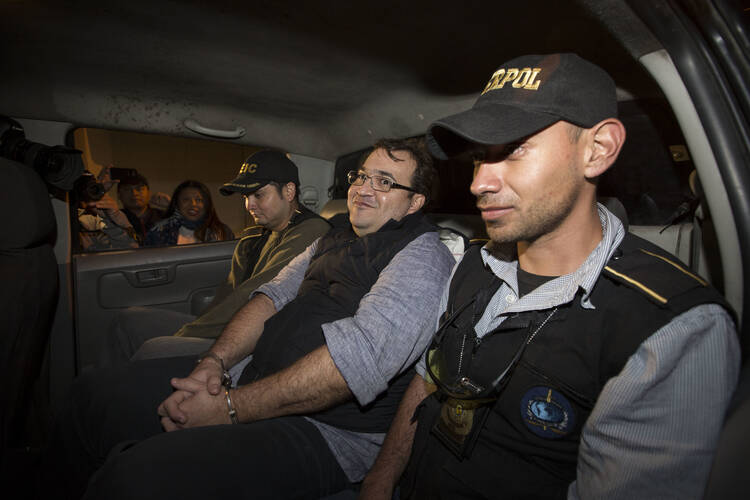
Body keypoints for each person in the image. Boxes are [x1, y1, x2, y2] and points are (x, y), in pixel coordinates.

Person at [359, 54, 740, 500]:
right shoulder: (473, 264)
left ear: (597, 150)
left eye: (514, 149)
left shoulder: (668, 328)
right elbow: (428, 380)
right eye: (481, 156)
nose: (479, 182)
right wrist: (380, 481)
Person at [40, 137, 457, 500]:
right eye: (361, 176)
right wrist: (213, 364)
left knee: (133, 479)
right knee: (91, 397)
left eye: (385, 182)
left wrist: (228, 409)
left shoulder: (422, 257)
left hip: (326, 431)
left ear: (415, 201)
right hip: (248, 376)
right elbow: (271, 297)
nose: (364, 189)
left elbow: (353, 364)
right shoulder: (336, 233)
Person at [102, 150, 332, 364]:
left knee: (154, 349)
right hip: (229, 324)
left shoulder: (310, 231)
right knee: (129, 321)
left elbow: (254, 295)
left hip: (253, 337)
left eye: (258, 195)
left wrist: (188, 333)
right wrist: (196, 325)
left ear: (289, 192)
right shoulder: (259, 233)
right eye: (246, 196)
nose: (249, 205)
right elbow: (229, 290)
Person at [145, 179, 234, 246]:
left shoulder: (223, 232)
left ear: (207, 204)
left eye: (198, 200)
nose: (193, 204)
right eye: (186, 200)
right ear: (176, 203)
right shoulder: (159, 231)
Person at [76, 168, 139, 251]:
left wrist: (113, 217)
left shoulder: (104, 215)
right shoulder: (66, 216)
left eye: (93, 186)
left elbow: (131, 250)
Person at [116, 172, 168, 245]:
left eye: (139, 189)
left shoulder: (164, 217)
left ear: (148, 192)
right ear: (119, 195)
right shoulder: (115, 220)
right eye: (127, 189)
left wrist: (172, 207)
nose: (134, 193)